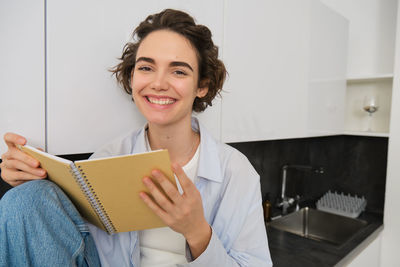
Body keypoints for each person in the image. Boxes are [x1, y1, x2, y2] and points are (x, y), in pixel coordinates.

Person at [0, 9, 272, 267]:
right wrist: (31, 178)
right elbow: (62, 235)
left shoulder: (236, 173)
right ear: (132, 77)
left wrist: (197, 231)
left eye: (178, 71)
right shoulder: (108, 159)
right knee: (25, 199)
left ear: (202, 85)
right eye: (146, 68)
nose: (158, 83)